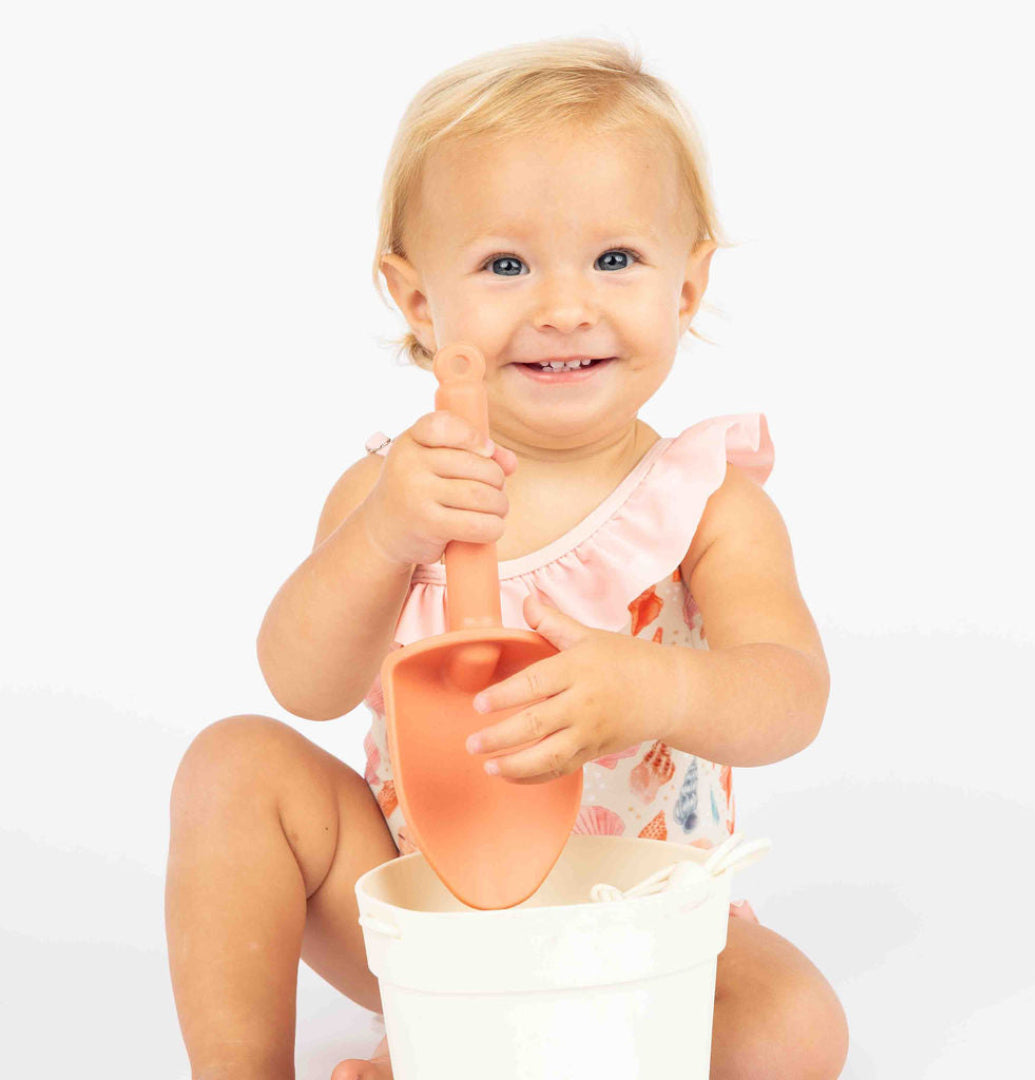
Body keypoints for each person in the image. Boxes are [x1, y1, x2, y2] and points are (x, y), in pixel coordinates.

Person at [166, 36, 849, 1080]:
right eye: (505, 264)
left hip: (642, 934)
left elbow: (790, 697)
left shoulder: (709, 502)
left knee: (795, 1029)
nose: (564, 305)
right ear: (418, 302)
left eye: (615, 259)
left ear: (689, 285)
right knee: (233, 766)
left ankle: (471, 1058)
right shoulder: (390, 493)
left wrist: (656, 686)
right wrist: (388, 536)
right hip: (423, 918)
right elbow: (302, 683)